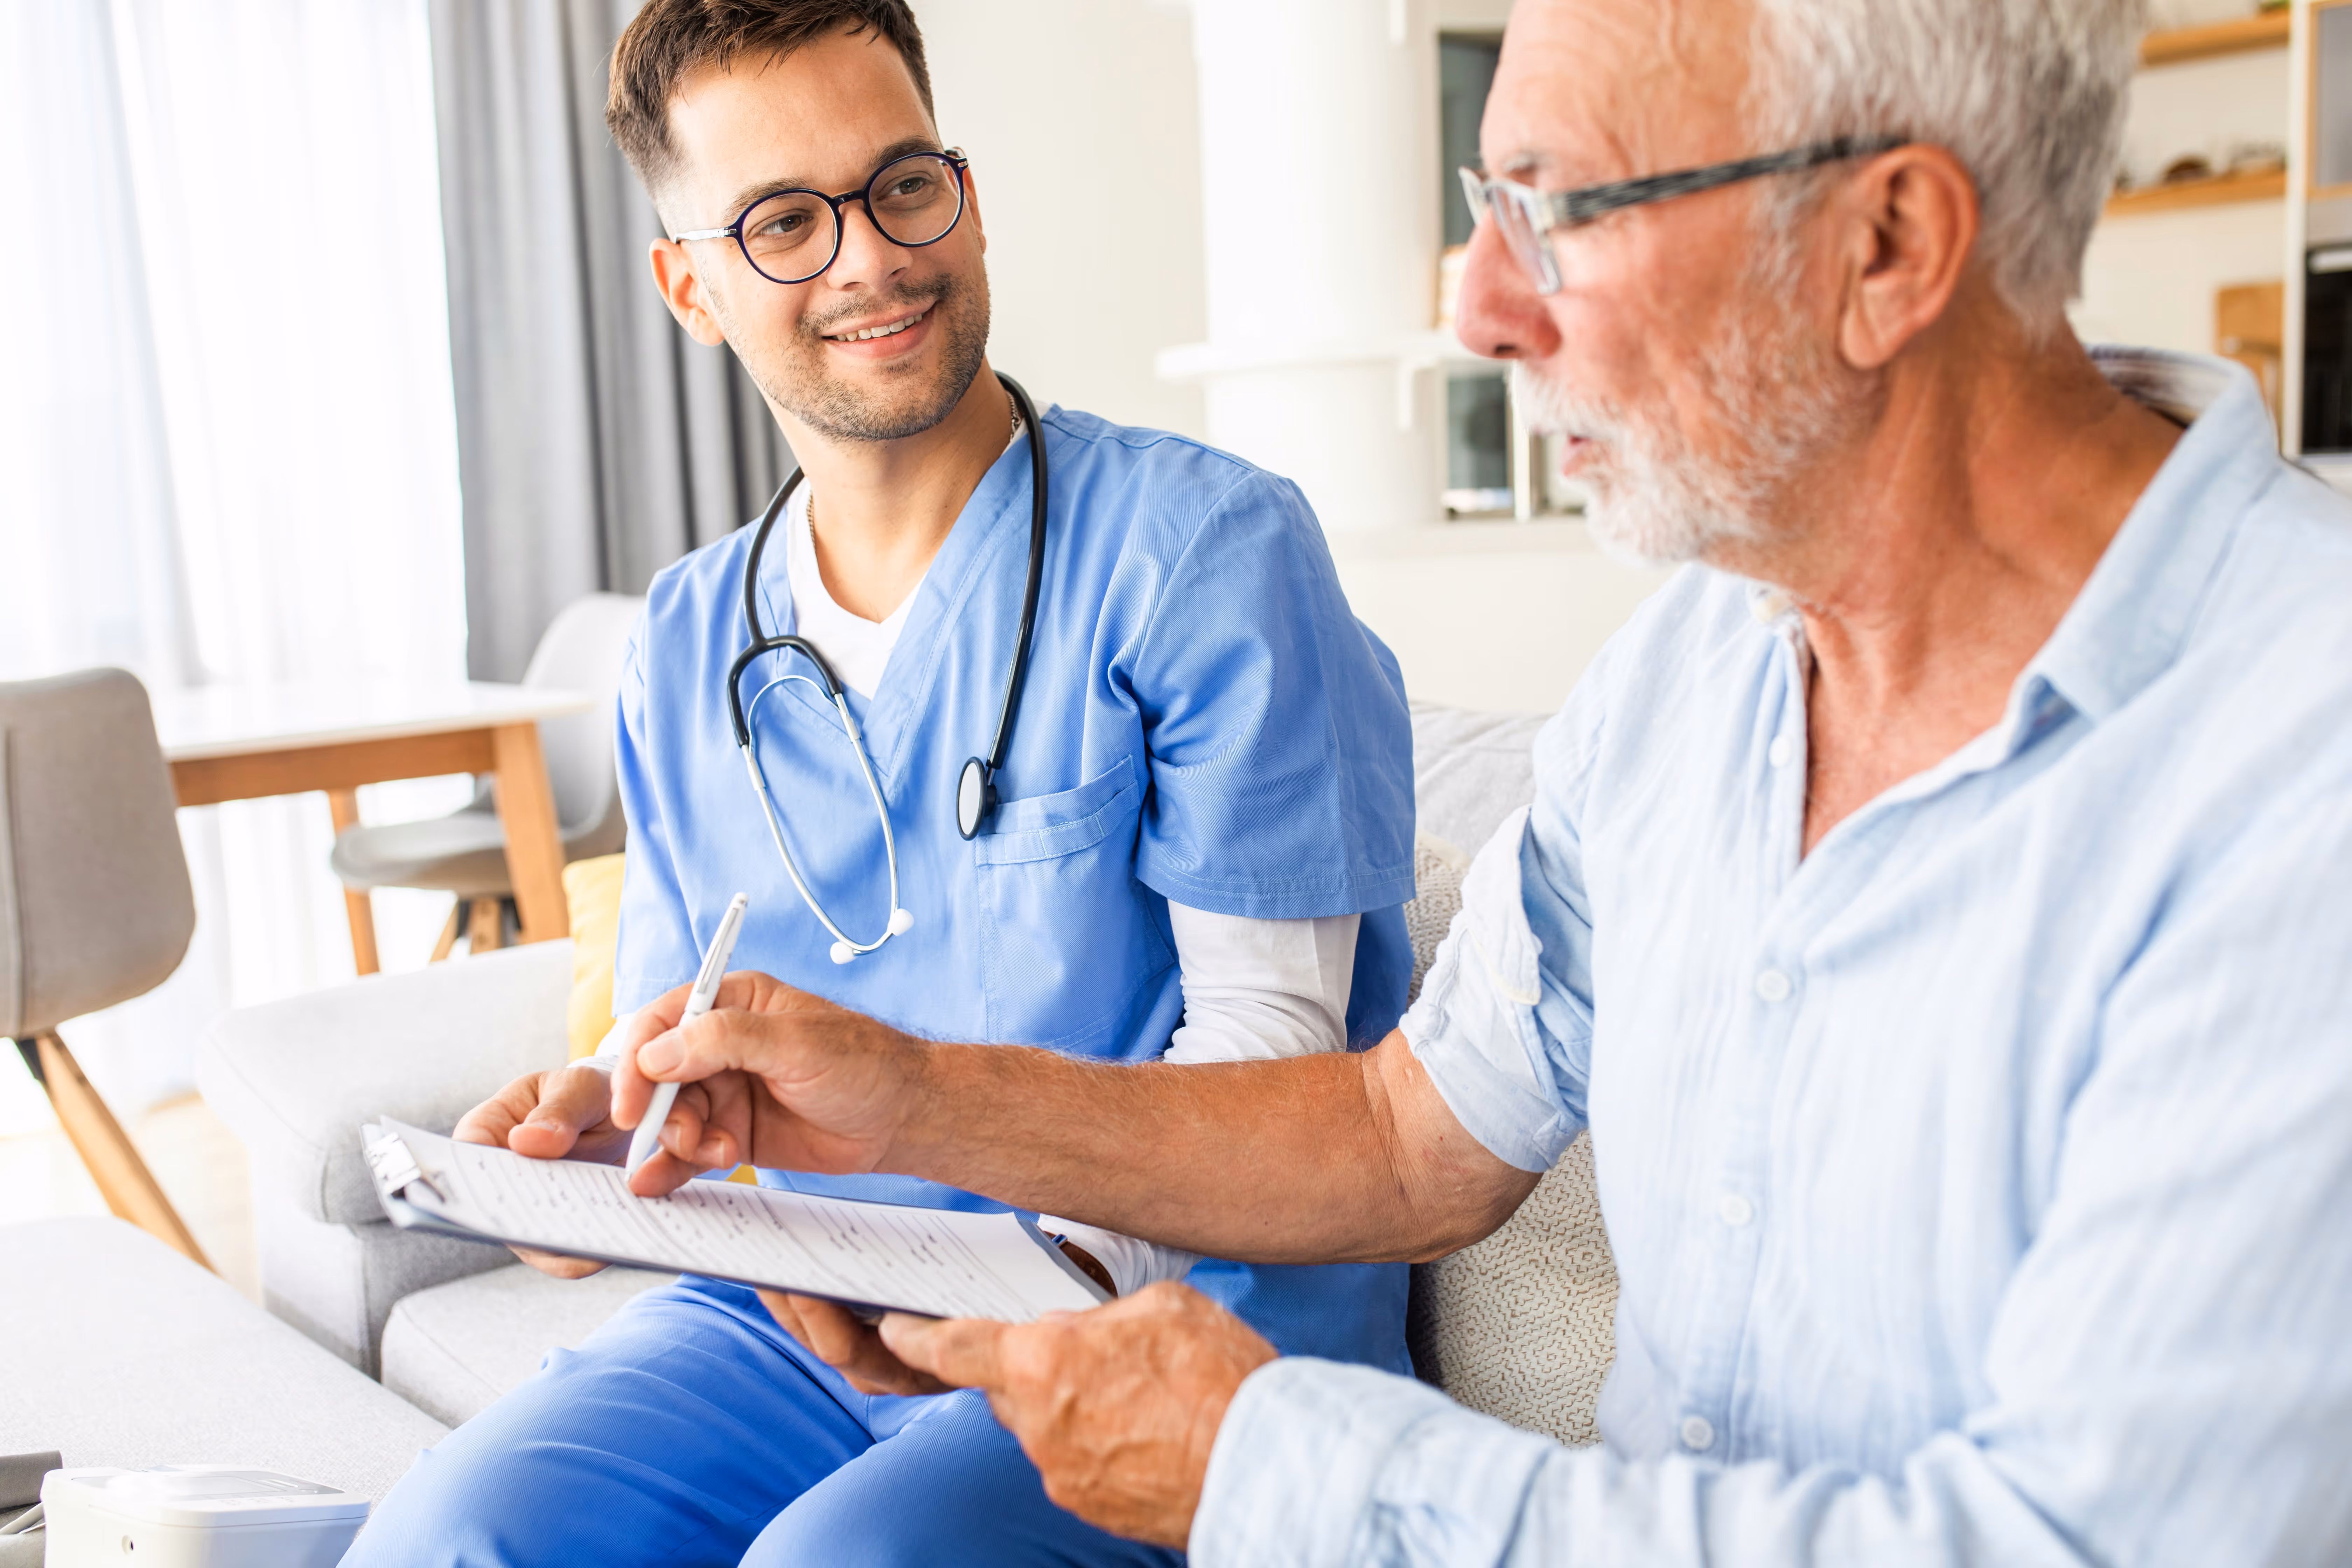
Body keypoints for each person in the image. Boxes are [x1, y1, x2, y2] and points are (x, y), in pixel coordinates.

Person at [603, 0, 2352, 1562]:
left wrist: (1274, 1466)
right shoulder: (1689, 678)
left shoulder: (2296, 769)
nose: (1477, 307)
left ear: (1888, 243)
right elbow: (1401, 1132)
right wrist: (909, 1098)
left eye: (1556, 210)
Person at [343, 2, 1419, 1563]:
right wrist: (606, 1146)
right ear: (689, 286)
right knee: (451, 1535)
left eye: (905, 184)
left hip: (1158, 1324)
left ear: (962, 191)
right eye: (784, 222)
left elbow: (1274, 1058)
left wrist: (991, 1263)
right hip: (798, 1321)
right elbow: (691, 1050)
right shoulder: (690, 639)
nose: (868, 258)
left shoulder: (1204, 555)